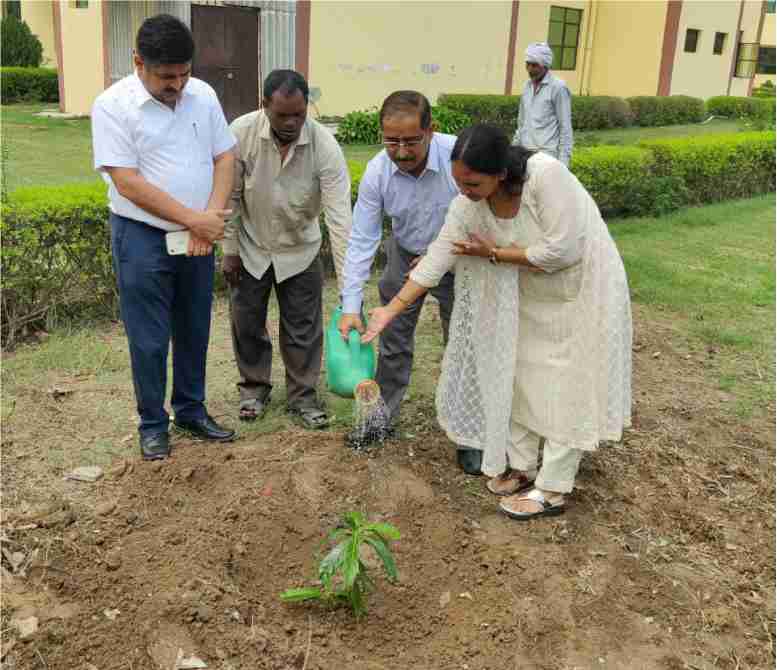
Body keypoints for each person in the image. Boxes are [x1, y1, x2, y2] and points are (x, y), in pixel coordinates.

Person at [362, 124, 632, 520]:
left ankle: (553, 488)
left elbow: (563, 250)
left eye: (471, 183)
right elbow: (440, 255)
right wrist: (390, 309)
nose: (463, 191)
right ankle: (523, 466)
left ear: (500, 174)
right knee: (519, 371)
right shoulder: (468, 205)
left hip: (582, 290)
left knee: (564, 383)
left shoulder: (545, 176)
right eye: (457, 181)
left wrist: (494, 254)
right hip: (530, 293)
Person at [91, 14, 237, 461]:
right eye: (166, 76)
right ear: (138, 62)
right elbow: (127, 182)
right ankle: (153, 423)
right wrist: (195, 220)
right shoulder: (112, 106)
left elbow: (225, 156)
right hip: (142, 236)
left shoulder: (203, 95)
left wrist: (210, 217)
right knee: (149, 336)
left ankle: (191, 410)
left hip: (197, 234)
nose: (177, 84)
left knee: (194, 326)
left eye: (184, 73)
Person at [338, 91, 468, 455]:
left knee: (461, 343)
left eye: (412, 141)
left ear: (432, 130)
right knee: (391, 340)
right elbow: (362, 238)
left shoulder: (458, 156)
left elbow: (483, 211)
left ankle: (467, 432)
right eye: (391, 141)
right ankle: (381, 420)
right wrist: (351, 306)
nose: (402, 151)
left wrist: (439, 254)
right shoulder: (378, 171)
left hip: (458, 258)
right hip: (405, 254)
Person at [223, 70, 352, 428]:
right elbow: (230, 197)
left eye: (299, 113)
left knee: (303, 328)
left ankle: (303, 395)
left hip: (301, 250)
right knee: (246, 323)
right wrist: (230, 248)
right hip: (251, 247)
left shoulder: (325, 146)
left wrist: (349, 287)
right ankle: (253, 388)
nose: (292, 122)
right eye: (282, 115)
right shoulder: (240, 134)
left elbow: (340, 217)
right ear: (264, 105)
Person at [512, 42, 573, 166]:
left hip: (547, 157)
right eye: (528, 64)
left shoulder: (558, 87)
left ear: (545, 66)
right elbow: (521, 123)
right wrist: (512, 151)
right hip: (525, 155)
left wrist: (563, 165)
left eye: (534, 65)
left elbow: (565, 128)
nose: (529, 69)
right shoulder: (526, 87)